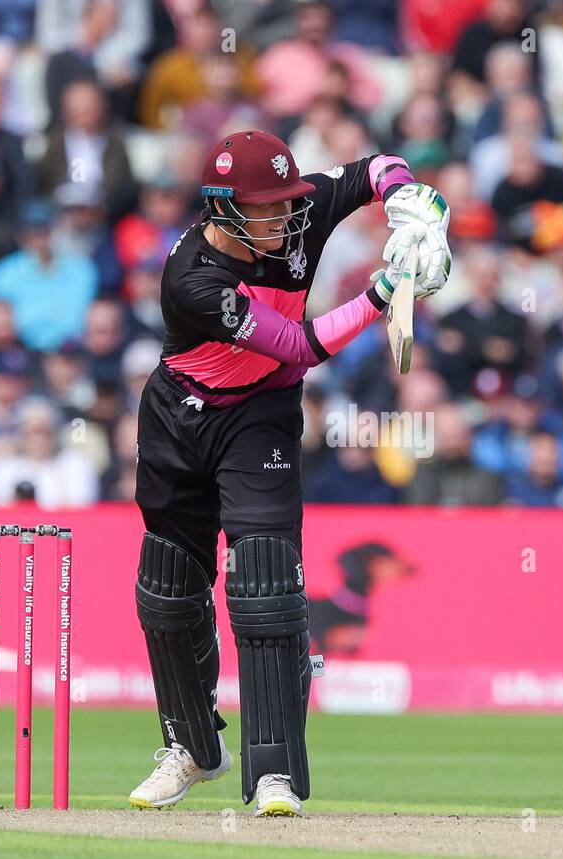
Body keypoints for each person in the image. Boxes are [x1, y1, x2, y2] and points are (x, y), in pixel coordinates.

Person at [129, 131, 450, 817]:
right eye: (265, 209)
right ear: (223, 209)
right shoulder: (191, 280)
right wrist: (386, 289)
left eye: (286, 204)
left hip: (260, 417)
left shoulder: (295, 209)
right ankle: (191, 747)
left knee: (268, 587)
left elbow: (376, 166)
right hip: (179, 419)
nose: (283, 218)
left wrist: (410, 204)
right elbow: (299, 347)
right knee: (167, 592)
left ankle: (274, 771)